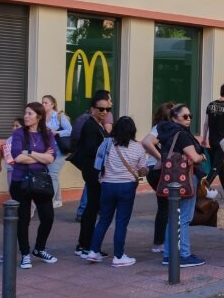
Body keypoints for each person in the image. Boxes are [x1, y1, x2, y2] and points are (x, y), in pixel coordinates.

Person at [86, 116, 149, 267]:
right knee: (121, 222)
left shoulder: (106, 143)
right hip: (127, 186)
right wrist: (141, 171)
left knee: (104, 219)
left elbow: (98, 163)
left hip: (107, 185)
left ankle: (93, 251)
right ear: (133, 131)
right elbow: (143, 170)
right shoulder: (137, 148)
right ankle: (119, 256)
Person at [155, 104, 207, 268]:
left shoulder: (166, 133)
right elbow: (194, 157)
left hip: (172, 180)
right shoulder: (182, 135)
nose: (189, 119)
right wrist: (201, 157)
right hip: (185, 179)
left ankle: (169, 255)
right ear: (173, 117)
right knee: (184, 218)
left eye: (190, 115)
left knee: (174, 218)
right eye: (185, 116)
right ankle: (183, 255)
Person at [8, 102, 58, 269]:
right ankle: (25, 254)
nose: (26, 116)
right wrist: (41, 156)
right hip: (20, 181)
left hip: (40, 182)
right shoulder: (19, 133)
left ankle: (39, 248)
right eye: (25, 113)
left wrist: (30, 153)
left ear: (39, 116)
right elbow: (17, 157)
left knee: (48, 217)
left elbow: (51, 159)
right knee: (23, 219)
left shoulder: (47, 134)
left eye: (30, 113)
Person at [71, 90, 112, 258]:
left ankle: (85, 244)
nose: (104, 112)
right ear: (92, 109)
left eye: (107, 109)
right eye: (100, 109)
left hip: (95, 170)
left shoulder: (98, 124)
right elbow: (90, 149)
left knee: (93, 207)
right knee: (92, 207)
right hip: (92, 170)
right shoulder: (90, 125)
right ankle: (85, 245)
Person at [142, 102, 176, 253]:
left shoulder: (157, 127)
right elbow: (146, 143)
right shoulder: (162, 128)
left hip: (154, 170)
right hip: (159, 170)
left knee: (165, 206)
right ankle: (160, 242)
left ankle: (160, 241)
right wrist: (162, 158)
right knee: (166, 206)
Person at [203, 83, 224, 198]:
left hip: (212, 140)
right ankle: (203, 189)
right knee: (216, 167)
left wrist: (203, 139)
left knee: (220, 166)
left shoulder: (210, 105)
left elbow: (206, 124)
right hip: (223, 142)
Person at [41, 95, 72, 208]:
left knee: (52, 174)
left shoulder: (59, 116)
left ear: (52, 104)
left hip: (59, 149)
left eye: (46, 103)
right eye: (42, 102)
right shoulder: (41, 117)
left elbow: (70, 131)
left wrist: (57, 133)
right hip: (47, 149)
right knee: (51, 174)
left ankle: (49, 202)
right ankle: (58, 199)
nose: (43, 105)